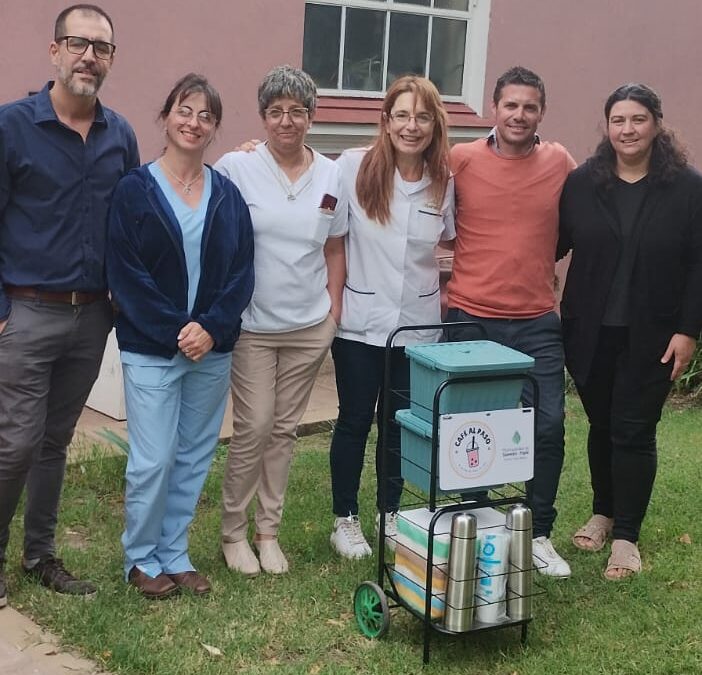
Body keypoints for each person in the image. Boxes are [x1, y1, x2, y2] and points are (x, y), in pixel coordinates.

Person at [0, 4, 138, 607]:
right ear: (54, 51)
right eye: (79, 44)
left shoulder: (121, 134)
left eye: (102, 48)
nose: (90, 56)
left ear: (111, 60)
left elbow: (135, 219)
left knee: (55, 440)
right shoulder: (11, 127)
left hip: (91, 319)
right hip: (27, 311)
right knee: (16, 442)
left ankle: (40, 555)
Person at [106, 74, 254, 599]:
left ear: (214, 128)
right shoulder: (134, 190)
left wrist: (211, 330)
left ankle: (174, 552)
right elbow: (125, 275)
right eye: (184, 111)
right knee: (153, 459)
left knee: (193, 454)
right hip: (152, 350)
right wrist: (177, 332)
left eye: (205, 115)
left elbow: (241, 272)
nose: (194, 122)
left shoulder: (228, 195)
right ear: (166, 116)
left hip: (212, 352)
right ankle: (140, 557)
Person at [558, 84, 702, 580]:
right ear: (607, 126)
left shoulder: (687, 187)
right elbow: (549, 243)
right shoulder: (583, 183)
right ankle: (603, 511)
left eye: (638, 119)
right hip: (590, 331)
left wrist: (688, 330)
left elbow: (699, 265)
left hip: (654, 334)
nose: (628, 129)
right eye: (618, 120)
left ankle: (626, 538)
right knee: (602, 425)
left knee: (635, 431)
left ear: (657, 123)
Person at [214, 65, 347, 576]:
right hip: (252, 325)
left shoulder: (332, 175)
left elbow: (335, 246)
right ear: (263, 117)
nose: (286, 121)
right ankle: (232, 532)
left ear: (311, 117)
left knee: (285, 431)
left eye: (297, 111)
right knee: (254, 427)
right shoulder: (235, 167)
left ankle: (268, 532)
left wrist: (333, 312)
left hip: (309, 326)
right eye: (276, 112)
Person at [443, 66, 576, 577]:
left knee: (547, 427)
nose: (519, 115)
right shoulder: (462, 159)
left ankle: (538, 532)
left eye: (530, 107)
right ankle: (473, 523)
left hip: (537, 322)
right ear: (493, 108)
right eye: (510, 105)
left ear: (541, 112)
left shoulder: (560, 161)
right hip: (470, 320)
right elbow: (402, 172)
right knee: (473, 431)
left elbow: (584, 211)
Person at [329, 76, 455, 559]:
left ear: (434, 125)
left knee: (399, 425)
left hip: (417, 328)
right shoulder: (351, 167)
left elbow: (449, 242)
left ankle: (389, 513)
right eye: (401, 115)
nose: (411, 126)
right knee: (355, 420)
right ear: (385, 121)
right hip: (360, 325)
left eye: (422, 116)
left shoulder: (443, 181)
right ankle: (345, 519)